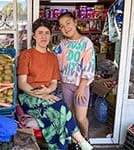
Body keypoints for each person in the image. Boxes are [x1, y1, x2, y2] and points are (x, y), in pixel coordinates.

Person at [17, 18, 93, 150]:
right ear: (34, 36)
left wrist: (47, 92)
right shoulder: (26, 55)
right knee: (61, 107)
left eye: (47, 33)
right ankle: (80, 141)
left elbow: (53, 83)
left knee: (58, 111)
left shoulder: (53, 57)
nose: (44, 36)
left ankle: (68, 145)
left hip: (46, 94)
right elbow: (22, 83)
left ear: (50, 36)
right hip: (28, 96)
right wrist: (40, 95)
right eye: (40, 33)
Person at [54, 12, 96, 140]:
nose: (65, 28)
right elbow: (53, 60)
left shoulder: (86, 43)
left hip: (81, 86)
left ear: (75, 22)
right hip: (66, 85)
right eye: (62, 26)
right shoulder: (62, 44)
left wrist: (82, 87)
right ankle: (75, 140)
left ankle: (85, 137)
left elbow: (89, 65)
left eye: (68, 23)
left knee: (80, 117)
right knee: (70, 116)